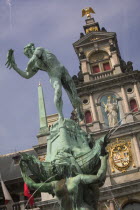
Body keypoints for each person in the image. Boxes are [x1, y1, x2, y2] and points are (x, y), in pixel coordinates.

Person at [5, 43, 83, 121]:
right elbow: (27, 76)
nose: (28, 56)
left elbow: (32, 60)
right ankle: (60, 115)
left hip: (61, 70)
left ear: (31, 49)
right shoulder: (36, 64)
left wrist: (27, 68)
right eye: (27, 55)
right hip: (53, 75)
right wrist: (15, 67)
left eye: (28, 54)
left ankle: (79, 110)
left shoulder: (39, 49)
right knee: (58, 91)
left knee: (74, 96)